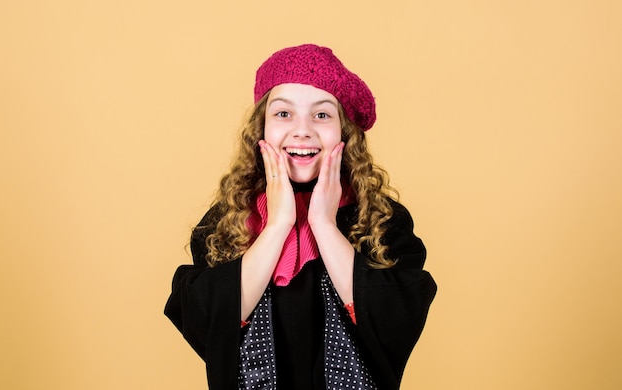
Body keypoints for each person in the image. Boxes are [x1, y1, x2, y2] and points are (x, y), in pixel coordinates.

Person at [164, 43, 437, 390]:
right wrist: (278, 226)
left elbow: (394, 323)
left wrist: (323, 224)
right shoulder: (226, 222)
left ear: (345, 134)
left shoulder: (384, 221)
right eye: (283, 114)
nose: (302, 130)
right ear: (261, 129)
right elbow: (211, 327)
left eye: (322, 115)